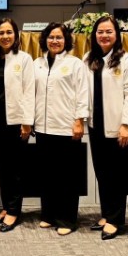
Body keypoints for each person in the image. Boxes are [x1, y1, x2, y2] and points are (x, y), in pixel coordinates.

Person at [83, 16, 128, 240]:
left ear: (117, 35)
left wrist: (127, 125)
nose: (104, 36)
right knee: (102, 173)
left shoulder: (127, 61)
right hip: (96, 125)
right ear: (94, 35)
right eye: (100, 32)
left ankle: (115, 220)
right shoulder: (88, 58)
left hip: (118, 127)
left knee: (117, 175)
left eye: (109, 32)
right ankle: (107, 214)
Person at [33, 22, 88, 236]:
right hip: (43, 127)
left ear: (66, 40)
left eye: (59, 37)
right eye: (51, 37)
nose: (54, 41)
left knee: (67, 177)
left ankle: (67, 219)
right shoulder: (37, 64)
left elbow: (82, 94)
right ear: (45, 39)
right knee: (47, 174)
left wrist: (79, 120)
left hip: (67, 128)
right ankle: (49, 215)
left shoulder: (75, 64)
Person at [0, 18, 34, 232]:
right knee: (2, 167)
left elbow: (29, 91)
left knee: (15, 169)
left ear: (16, 35)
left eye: (9, 32)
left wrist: (27, 122)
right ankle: (7, 207)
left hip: (16, 122)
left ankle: (14, 211)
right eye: (1, 33)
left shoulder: (25, 59)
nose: (5, 36)